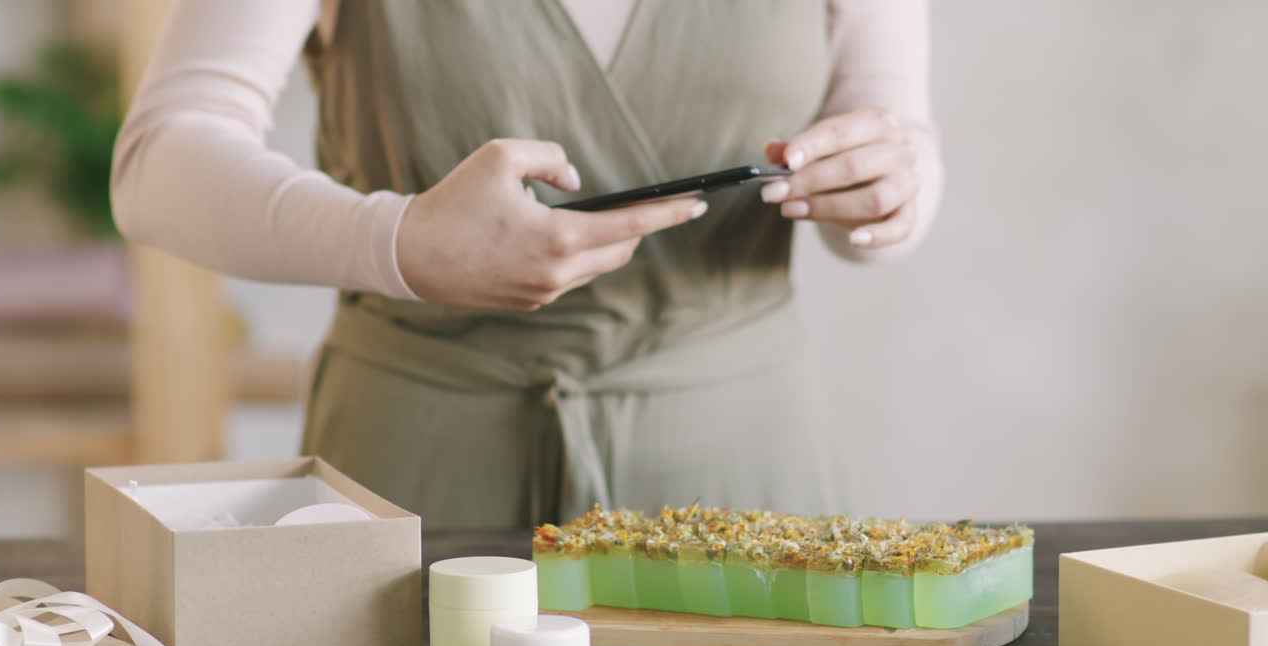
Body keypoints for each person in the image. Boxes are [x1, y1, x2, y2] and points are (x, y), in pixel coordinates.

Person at [112, 0, 942, 530]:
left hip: (744, 473)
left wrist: (893, 193)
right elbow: (157, 161)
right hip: (416, 474)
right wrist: (399, 241)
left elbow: (895, 136)